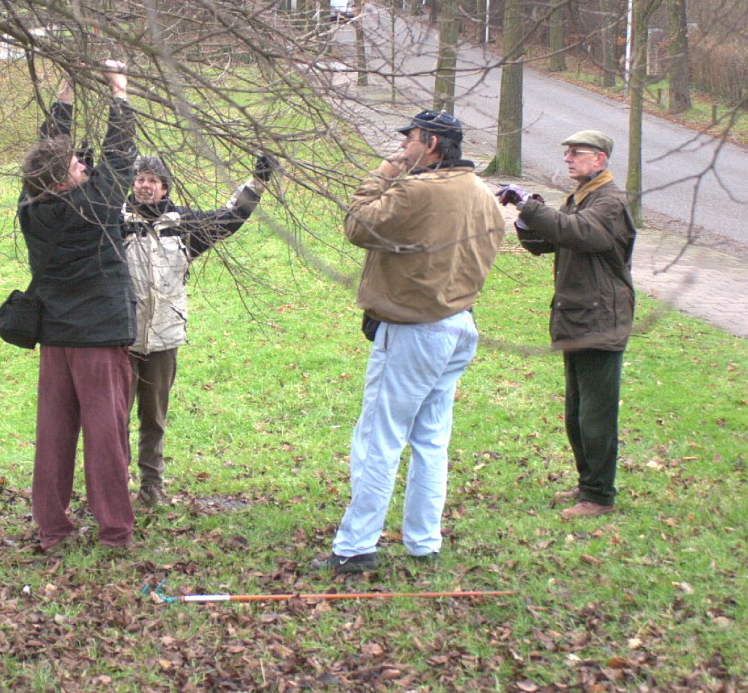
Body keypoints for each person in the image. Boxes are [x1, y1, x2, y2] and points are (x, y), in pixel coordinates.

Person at [313, 109, 505, 574]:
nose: (402, 147)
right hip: (458, 325)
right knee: (431, 440)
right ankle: (423, 542)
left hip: (415, 331)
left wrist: (384, 171)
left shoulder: (419, 190)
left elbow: (358, 224)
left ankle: (356, 547)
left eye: (411, 138)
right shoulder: (483, 194)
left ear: (432, 144)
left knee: (379, 439)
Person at [18, 61, 139, 553]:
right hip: (98, 341)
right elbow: (120, 157)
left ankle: (52, 528)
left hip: (56, 340)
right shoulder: (94, 205)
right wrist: (118, 91)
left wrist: (66, 93)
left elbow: (46, 153)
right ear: (61, 183)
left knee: (53, 435)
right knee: (106, 438)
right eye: (74, 167)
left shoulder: (30, 208)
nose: (83, 167)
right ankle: (114, 532)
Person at [121, 152, 278, 508]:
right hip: (122, 339)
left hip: (164, 337)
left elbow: (229, 217)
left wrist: (257, 182)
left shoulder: (184, 226)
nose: (145, 186)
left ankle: (151, 487)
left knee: (154, 418)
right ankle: (115, 486)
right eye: (140, 179)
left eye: (152, 180)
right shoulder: (115, 223)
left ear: (164, 188)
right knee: (116, 419)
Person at [497, 129, 636, 521]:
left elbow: (580, 233)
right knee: (577, 412)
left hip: (601, 320)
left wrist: (532, 208)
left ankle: (599, 495)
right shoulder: (582, 197)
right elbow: (548, 242)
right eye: (568, 152)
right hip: (578, 316)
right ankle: (587, 483)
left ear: (599, 159)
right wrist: (528, 216)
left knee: (596, 416)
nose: (568, 158)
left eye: (577, 152)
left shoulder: (609, 201)